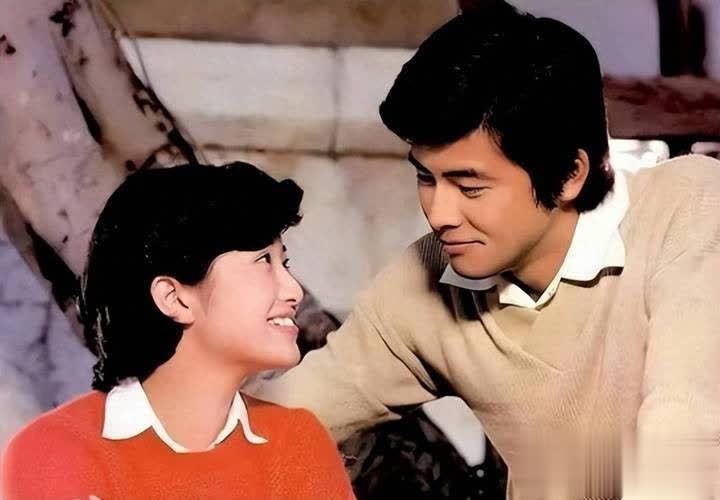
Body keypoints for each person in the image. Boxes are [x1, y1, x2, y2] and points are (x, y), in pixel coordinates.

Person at [249, 4, 720, 499]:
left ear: (569, 174)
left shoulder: (688, 209)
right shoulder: (425, 281)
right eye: (426, 177)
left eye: (469, 186)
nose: (439, 213)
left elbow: (687, 444)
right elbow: (272, 423)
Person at [1, 163, 354, 499]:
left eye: (284, 262)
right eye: (263, 261)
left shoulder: (298, 444)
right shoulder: (54, 452)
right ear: (174, 298)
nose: (293, 290)